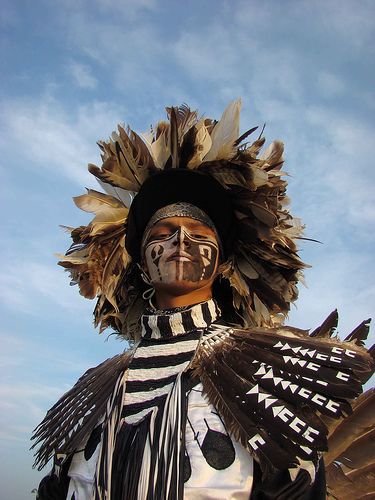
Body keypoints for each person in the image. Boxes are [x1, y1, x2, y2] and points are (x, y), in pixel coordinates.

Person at [32, 101, 374, 499]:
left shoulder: (265, 375)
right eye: (163, 232)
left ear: (224, 263)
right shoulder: (95, 388)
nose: (180, 240)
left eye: (198, 231)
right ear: (142, 263)